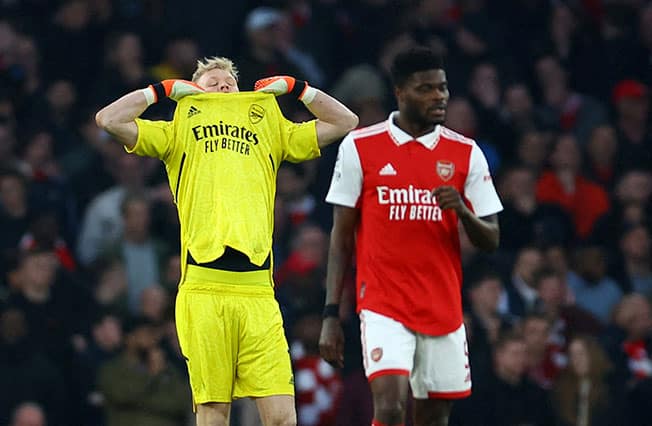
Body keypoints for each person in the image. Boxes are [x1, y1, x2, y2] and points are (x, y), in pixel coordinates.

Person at [95, 56, 358, 426]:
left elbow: (345, 121)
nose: (222, 85)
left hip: (258, 293)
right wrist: (163, 90)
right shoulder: (178, 128)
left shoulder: (268, 125)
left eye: (229, 82)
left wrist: (297, 88)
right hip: (205, 290)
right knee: (214, 416)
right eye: (212, 81)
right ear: (193, 90)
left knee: (283, 418)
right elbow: (108, 119)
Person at [319, 47, 502, 426]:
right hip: (382, 303)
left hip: (442, 306)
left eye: (442, 88)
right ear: (400, 92)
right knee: (389, 408)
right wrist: (330, 314)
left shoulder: (466, 153)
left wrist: (463, 212)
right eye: (426, 89)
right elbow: (341, 236)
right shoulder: (360, 146)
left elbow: (491, 239)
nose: (439, 97)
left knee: (433, 417)